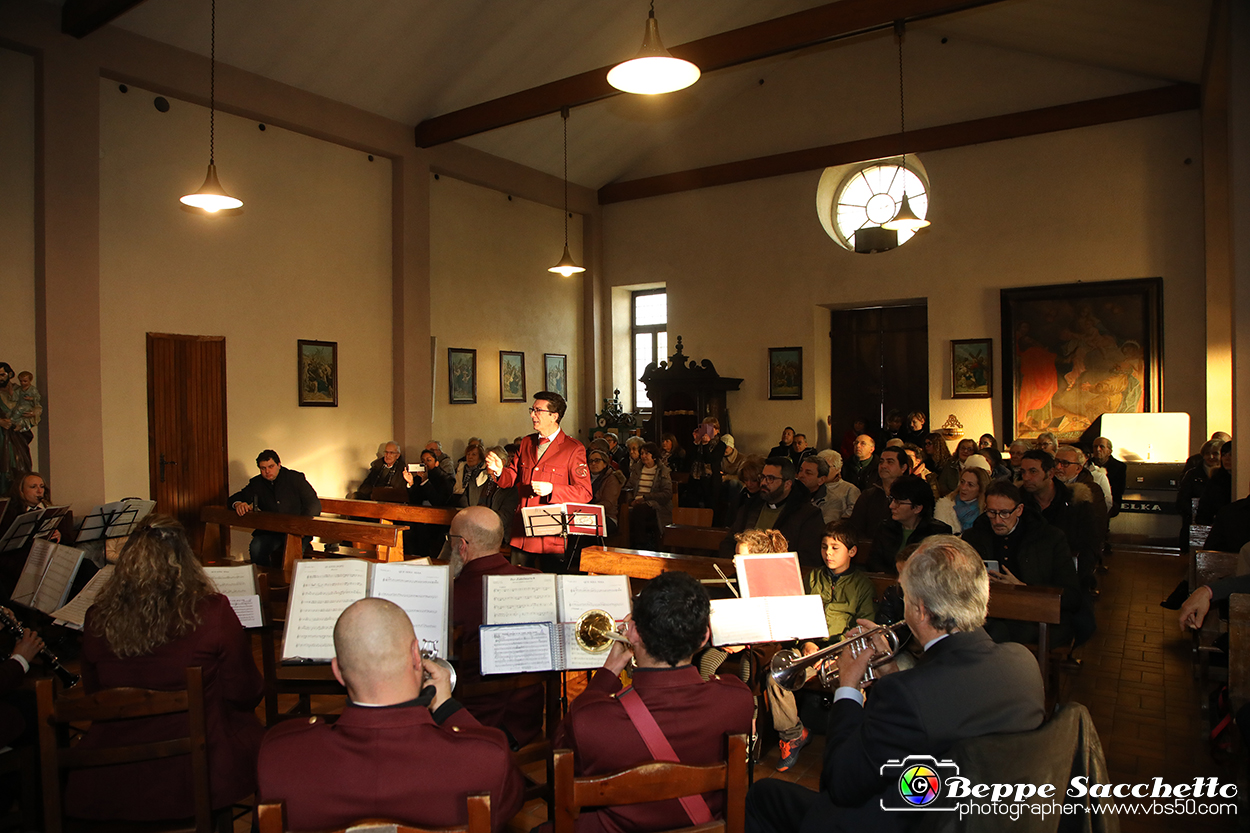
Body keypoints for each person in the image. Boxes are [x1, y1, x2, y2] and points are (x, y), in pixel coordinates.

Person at [744, 536, 1045, 833]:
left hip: (902, 819)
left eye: (906, 597)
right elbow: (933, 716)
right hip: (975, 812)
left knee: (762, 795)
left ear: (922, 610)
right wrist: (889, 670)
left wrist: (847, 688)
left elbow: (839, 783)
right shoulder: (1023, 663)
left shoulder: (906, 694)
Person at [258, 598, 523, 832]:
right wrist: (447, 709)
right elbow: (507, 807)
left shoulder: (278, 756)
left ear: (337, 672)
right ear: (416, 658)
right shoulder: (486, 759)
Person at [67, 516, 265, 821]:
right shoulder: (211, 611)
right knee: (259, 738)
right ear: (185, 561)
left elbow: (95, 695)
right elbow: (245, 691)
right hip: (193, 770)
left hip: (112, 770)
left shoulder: (97, 617)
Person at [552, 571, 752, 833]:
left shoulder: (588, 718)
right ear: (705, 637)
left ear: (633, 632)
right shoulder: (738, 699)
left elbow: (558, 759)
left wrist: (609, 671)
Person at [768, 522, 875, 772]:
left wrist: (835, 654)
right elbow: (797, 615)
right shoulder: (813, 578)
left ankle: (852, 745)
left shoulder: (861, 585)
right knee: (777, 677)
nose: (828, 552)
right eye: (825, 546)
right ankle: (793, 734)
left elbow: (863, 630)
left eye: (836, 547)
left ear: (852, 551)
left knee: (856, 685)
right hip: (809, 650)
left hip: (841, 654)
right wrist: (806, 642)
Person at [446, 506, 546, 747]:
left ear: (462, 546)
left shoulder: (450, 596)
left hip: (469, 724)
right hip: (526, 722)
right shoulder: (537, 581)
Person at [962, 481, 1081, 646]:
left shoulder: (1048, 538)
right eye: (991, 512)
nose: (997, 520)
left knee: (997, 634)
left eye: (1004, 513)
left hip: (1035, 617)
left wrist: (1023, 588)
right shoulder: (975, 536)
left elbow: (1072, 595)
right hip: (987, 612)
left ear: (1019, 510)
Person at [485, 391, 592, 571]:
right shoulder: (527, 442)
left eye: (537, 410)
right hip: (522, 531)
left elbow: (585, 492)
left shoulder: (572, 448)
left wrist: (552, 489)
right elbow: (511, 477)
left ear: (554, 416)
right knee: (517, 581)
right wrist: (498, 471)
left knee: (550, 584)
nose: (532, 415)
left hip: (550, 533)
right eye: (532, 410)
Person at [720, 457, 824, 569]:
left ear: (787, 484)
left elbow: (808, 558)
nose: (764, 483)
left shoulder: (808, 515)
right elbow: (730, 541)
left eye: (771, 478)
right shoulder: (750, 507)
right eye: (763, 477)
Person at [228, 449, 321, 568]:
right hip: (271, 532)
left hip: (297, 531)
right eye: (263, 468)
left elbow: (313, 504)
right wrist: (238, 504)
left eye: (270, 466)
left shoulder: (294, 478)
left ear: (279, 465)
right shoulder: (257, 483)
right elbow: (234, 498)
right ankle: (263, 580)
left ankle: (290, 584)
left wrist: (301, 527)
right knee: (256, 547)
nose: (267, 471)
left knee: (293, 556)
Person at [869, 474, 952, 572]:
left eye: (898, 502)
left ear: (917, 508)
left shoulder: (938, 533)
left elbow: (939, 570)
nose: (891, 506)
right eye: (892, 500)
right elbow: (873, 564)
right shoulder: (885, 528)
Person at [1178, 439, 1225, 550]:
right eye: (1207, 454)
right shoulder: (1192, 474)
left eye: (1215, 454)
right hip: (1195, 524)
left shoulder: (1226, 476)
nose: (1211, 457)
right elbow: (1182, 500)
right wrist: (1195, 516)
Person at [625, 442, 673, 549]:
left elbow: (667, 493)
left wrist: (646, 498)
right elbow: (628, 487)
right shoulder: (637, 470)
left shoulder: (662, 471)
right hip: (636, 502)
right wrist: (630, 500)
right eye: (642, 453)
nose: (643, 456)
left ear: (654, 456)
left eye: (647, 453)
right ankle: (626, 543)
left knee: (639, 510)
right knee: (625, 511)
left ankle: (640, 544)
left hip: (654, 504)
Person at [797, 455, 858, 524]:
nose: (801, 475)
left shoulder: (833, 501)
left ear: (821, 480)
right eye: (800, 470)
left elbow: (822, 527)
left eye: (808, 473)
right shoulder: (791, 492)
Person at [0, 363, 32, 496]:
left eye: (2, 375)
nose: (0, 378)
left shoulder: (22, 392)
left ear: (10, 374)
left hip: (17, 437)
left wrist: (22, 424)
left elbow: (31, 414)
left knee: (20, 467)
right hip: (1, 437)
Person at [934, 466, 989, 533]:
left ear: (981, 489)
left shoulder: (986, 512)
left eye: (970, 485)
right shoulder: (945, 507)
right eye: (962, 482)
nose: (963, 488)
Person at [689, 416, 726, 512]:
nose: (707, 431)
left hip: (711, 481)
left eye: (710, 428)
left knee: (710, 507)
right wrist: (696, 442)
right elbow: (690, 460)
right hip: (696, 479)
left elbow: (710, 459)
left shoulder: (721, 445)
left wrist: (705, 445)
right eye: (704, 428)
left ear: (717, 430)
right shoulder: (698, 444)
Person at [586, 448, 625, 537]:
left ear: (605, 463)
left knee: (586, 529)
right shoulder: (585, 478)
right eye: (591, 461)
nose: (593, 464)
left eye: (597, 461)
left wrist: (589, 510)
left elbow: (608, 503)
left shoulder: (611, 479)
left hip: (607, 516)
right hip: (587, 515)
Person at [1090, 436, 1126, 517]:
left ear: (1109, 451)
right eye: (1095, 446)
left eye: (1102, 447)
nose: (1098, 449)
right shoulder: (1087, 464)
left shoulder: (1119, 466)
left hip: (1111, 501)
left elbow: (1119, 490)